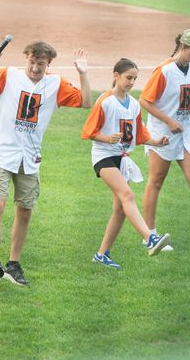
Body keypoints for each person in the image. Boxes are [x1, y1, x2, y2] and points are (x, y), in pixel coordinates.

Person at [0, 40, 91, 286]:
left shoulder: (55, 84)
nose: (35, 67)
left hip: (30, 157)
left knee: (25, 211)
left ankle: (14, 264)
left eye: (41, 64)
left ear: (49, 64)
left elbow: (86, 102)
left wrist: (83, 73)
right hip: (3, 153)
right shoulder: (9, 76)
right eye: (32, 62)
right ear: (26, 59)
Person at [81, 58, 172, 268]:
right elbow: (88, 132)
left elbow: (139, 135)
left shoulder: (134, 104)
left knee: (121, 209)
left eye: (134, 79)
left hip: (122, 158)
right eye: (128, 77)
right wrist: (107, 138)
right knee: (127, 195)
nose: (131, 82)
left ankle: (102, 255)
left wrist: (157, 142)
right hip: (104, 157)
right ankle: (151, 238)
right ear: (116, 76)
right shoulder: (104, 101)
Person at [140, 29, 190, 248]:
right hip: (163, 133)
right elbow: (145, 101)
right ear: (184, 48)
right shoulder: (164, 71)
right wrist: (169, 121)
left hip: (186, 131)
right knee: (156, 181)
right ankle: (149, 235)